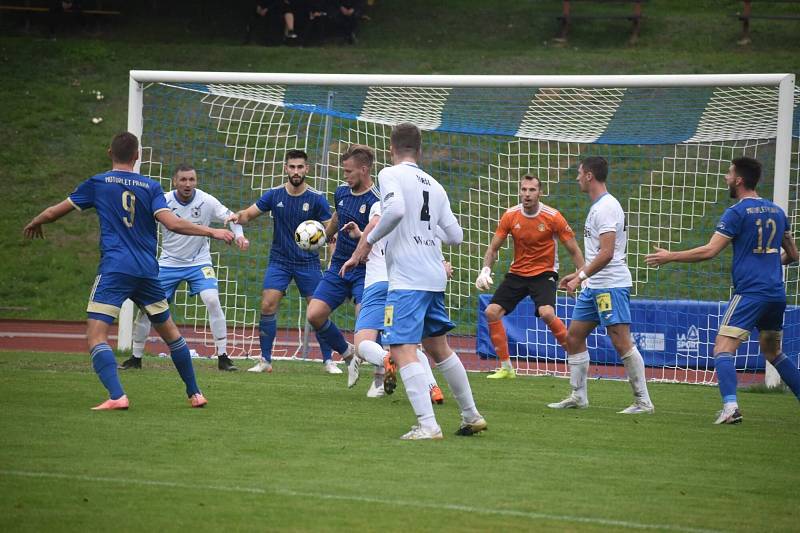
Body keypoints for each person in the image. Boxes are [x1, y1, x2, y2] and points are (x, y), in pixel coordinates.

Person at [22, 132, 234, 410]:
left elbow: (54, 212)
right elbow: (173, 223)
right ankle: (195, 393)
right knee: (171, 334)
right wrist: (212, 231)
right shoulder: (150, 186)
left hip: (115, 269)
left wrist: (36, 221)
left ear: (110, 152)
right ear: (138, 156)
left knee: (96, 335)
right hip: (147, 270)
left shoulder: (98, 183)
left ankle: (117, 395)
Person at [346, 123, 486, 440]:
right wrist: (424, 231)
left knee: (401, 347)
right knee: (439, 347)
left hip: (407, 279)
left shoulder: (390, 174)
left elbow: (394, 210)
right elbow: (456, 236)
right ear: (419, 151)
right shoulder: (435, 186)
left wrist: (369, 240)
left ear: (391, 149)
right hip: (433, 275)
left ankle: (428, 424)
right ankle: (471, 415)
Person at [645, 157, 800, 424]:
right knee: (773, 352)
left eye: (729, 174)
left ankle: (730, 407)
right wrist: (767, 265)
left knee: (722, 349)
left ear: (739, 180)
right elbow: (793, 254)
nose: (726, 178)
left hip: (750, 293)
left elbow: (710, 251)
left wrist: (671, 256)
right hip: (775, 294)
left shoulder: (736, 212)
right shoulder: (777, 211)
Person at [548, 156, 654, 414]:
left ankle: (643, 401)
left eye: (579, 172)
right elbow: (598, 252)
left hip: (610, 285)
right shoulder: (598, 206)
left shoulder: (607, 207)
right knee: (574, 337)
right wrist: (579, 274)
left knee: (621, 342)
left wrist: (579, 277)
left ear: (589, 176)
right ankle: (578, 396)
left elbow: (606, 253)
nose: (576, 178)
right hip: (594, 286)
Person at [119, 164, 250, 372]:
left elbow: (232, 218)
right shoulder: (163, 200)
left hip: (199, 262)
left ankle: (223, 357)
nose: (188, 184)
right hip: (168, 263)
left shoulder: (207, 201)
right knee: (146, 308)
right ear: (174, 181)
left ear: (196, 181)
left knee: (212, 300)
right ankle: (136, 357)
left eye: (191, 180)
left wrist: (240, 236)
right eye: (183, 180)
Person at [228, 149, 334, 373]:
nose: (296, 171)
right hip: (280, 260)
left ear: (307, 169)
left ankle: (329, 360)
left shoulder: (317, 199)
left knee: (319, 311)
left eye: (300, 167)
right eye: (292, 167)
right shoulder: (274, 195)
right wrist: (239, 217)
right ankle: (265, 360)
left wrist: (333, 257)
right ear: (286, 168)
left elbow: (330, 231)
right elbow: (248, 214)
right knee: (267, 304)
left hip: (309, 263)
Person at [339, 192, 445, 404]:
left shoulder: (383, 205)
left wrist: (357, 252)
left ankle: (384, 359)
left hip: (378, 284)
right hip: (403, 286)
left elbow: (377, 227)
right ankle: (433, 387)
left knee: (362, 343)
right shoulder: (418, 213)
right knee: (409, 344)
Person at [475, 174, 585, 379]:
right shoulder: (510, 215)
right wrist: (485, 270)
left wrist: (583, 275)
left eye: (532, 190)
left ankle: (576, 359)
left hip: (544, 273)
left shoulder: (553, 217)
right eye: (523, 189)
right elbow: (493, 248)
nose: (527, 194)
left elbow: (574, 250)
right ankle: (507, 368)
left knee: (546, 313)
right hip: (518, 273)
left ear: (540, 193)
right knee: (491, 312)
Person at [304, 144, 381, 375]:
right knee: (314, 314)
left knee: (365, 326)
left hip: (367, 270)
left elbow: (381, 235)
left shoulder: (378, 200)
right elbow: (338, 216)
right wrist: (321, 238)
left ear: (364, 170)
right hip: (339, 266)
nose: (345, 176)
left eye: (349, 172)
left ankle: (382, 369)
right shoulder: (341, 192)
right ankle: (346, 354)